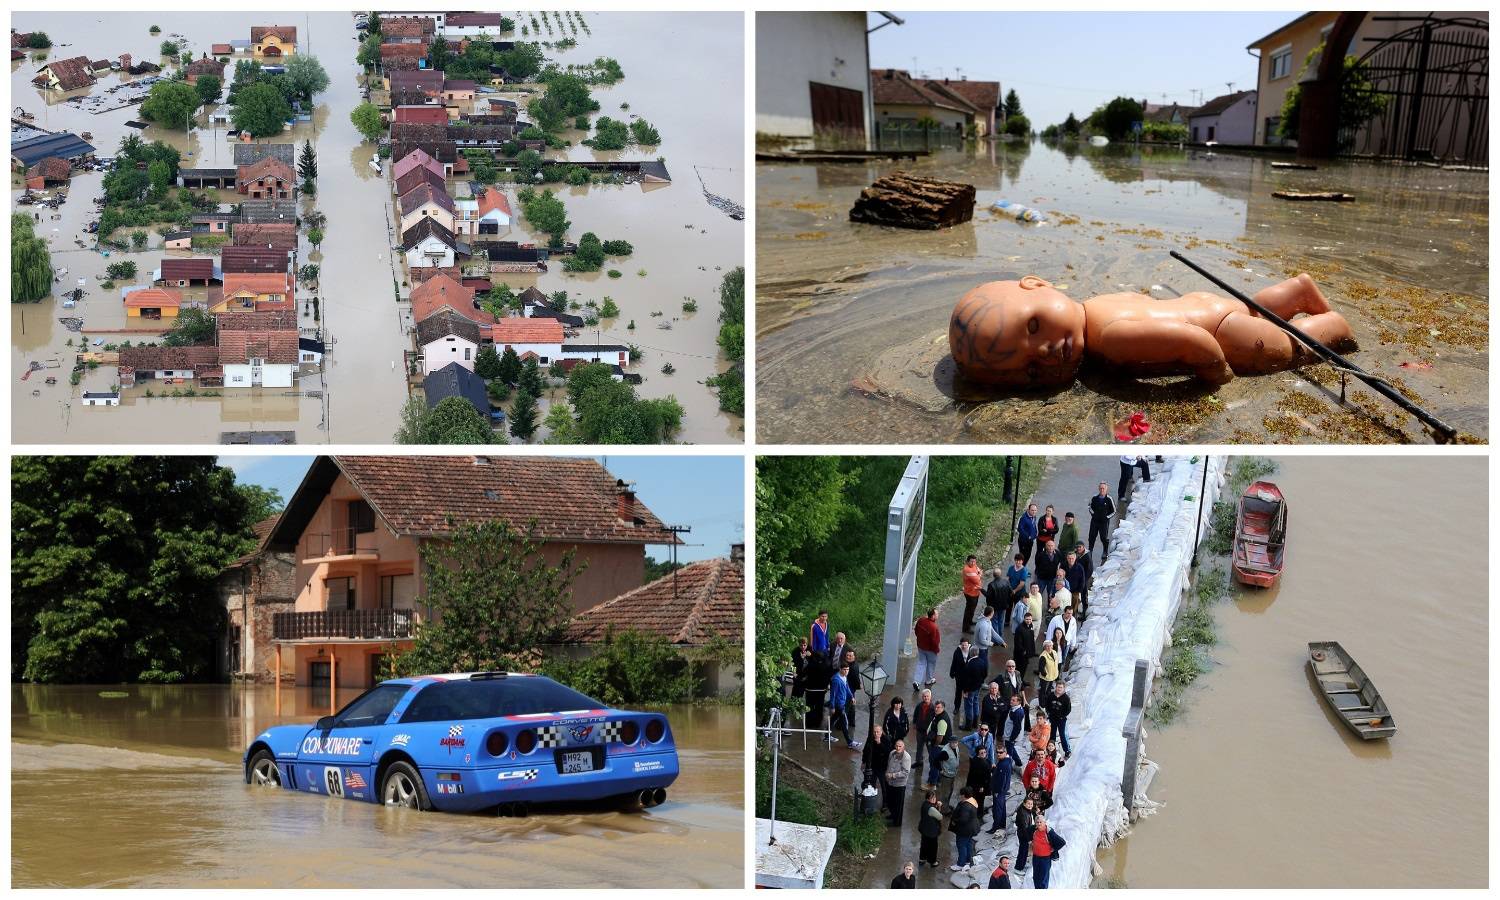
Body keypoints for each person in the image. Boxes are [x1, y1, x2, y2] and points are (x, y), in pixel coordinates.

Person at [947, 274, 1357, 388]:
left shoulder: (1110, 338)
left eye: (1033, 326)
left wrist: (1218, 374)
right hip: (1207, 304)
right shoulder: (1098, 303)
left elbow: (1191, 341)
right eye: (1033, 370)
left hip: (1221, 331)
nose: (1049, 350)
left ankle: (1330, 324)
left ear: (1037, 283)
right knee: (1255, 307)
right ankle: (1297, 291)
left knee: (1284, 347)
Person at [1028, 813, 1066, 890]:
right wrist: (1030, 842)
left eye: (1040, 822)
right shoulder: (1034, 830)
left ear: (1044, 823)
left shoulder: (1049, 832)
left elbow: (1062, 842)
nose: (1039, 824)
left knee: (1043, 879)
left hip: (1045, 859)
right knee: (1036, 877)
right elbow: (1025, 831)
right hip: (1036, 857)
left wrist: (1053, 849)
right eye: (1037, 822)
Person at [948, 786, 981, 871]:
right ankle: (967, 860)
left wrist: (954, 820)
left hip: (965, 830)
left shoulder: (966, 806)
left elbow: (963, 819)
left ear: (964, 795)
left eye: (961, 794)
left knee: (961, 845)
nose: (960, 796)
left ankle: (960, 864)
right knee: (968, 844)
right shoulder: (973, 801)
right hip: (971, 828)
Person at [829, 664, 860, 749]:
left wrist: (852, 697)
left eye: (848, 669)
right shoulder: (836, 680)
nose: (846, 671)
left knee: (833, 719)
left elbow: (847, 687)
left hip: (842, 702)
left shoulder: (844, 677)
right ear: (840, 669)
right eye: (845, 669)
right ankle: (849, 742)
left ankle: (826, 735)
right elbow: (833, 694)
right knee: (844, 722)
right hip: (838, 704)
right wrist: (832, 706)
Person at [925, 700, 953, 785]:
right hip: (936, 744)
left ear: (943, 708)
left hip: (939, 746)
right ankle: (937, 780)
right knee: (936, 764)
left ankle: (932, 783)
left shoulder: (942, 720)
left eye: (938, 707)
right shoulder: (938, 715)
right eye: (935, 707)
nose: (936, 709)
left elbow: (940, 737)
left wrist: (934, 745)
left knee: (934, 764)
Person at [886, 739, 913, 827]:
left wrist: (893, 775)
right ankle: (892, 815)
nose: (898, 748)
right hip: (890, 783)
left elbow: (905, 772)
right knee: (890, 801)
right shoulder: (892, 753)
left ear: (903, 747)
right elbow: (889, 764)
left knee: (898, 805)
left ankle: (897, 823)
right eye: (897, 746)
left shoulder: (906, 757)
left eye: (900, 746)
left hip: (900, 784)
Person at [964, 745, 993, 826]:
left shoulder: (977, 760)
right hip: (979, 787)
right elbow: (976, 776)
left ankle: (976, 815)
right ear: (978, 754)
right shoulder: (978, 762)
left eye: (984, 752)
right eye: (981, 753)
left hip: (978, 786)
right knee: (978, 802)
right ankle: (977, 817)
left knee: (978, 801)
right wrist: (981, 786)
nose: (984, 754)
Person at [961, 646, 988, 729]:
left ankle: (968, 725)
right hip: (978, 686)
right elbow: (985, 674)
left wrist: (965, 690)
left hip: (970, 689)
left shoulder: (969, 664)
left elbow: (966, 679)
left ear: (971, 653)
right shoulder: (982, 662)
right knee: (976, 703)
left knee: (968, 705)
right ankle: (975, 723)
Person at [913, 608, 941, 690]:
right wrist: (936, 650)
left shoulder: (921, 620)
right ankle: (928, 680)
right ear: (933, 616)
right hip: (930, 650)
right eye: (937, 614)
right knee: (931, 664)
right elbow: (935, 642)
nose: (938, 615)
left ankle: (916, 681)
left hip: (920, 646)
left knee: (921, 663)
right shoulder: (934, 627)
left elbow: (916, 630)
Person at [1011, 613, 1037, 699]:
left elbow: (1031, 640)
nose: (1028, 621)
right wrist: (1024, 651)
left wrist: (1032, 651)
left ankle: (1021, 681)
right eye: (1027, 619)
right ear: (1024, 619)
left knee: (1024, 668)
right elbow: (1018, 643)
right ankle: (1017, 685)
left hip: (1027, 654)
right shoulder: (1019, 629)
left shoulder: (1030, 626)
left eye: (1030, 619)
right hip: (1020, 655)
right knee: (1019, 669)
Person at [1089, 482, 1116, 561]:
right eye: (1100, 488)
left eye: (1103, 488)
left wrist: (1106, 517)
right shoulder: (1094, 498)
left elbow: (1114, 511)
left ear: (1106, 489)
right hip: (1094, 521)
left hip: (1104, 523)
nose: (1102, 490)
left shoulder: (1109, 499)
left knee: (1103, 537)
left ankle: (1105, 551)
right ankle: (1090, 551)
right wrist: (1093, 514)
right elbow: (1090, 507)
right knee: (1092, 536)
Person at [1044, 682, 1072, 758]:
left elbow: (1068, 710)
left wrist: (1062, 716)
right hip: (1052, 718)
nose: (1059, 689)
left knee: (1062, 735)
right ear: (1056, 687)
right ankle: (1051, 751)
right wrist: (1048, 713)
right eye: (1058, 687)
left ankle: (1067, 751)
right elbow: (1047, 705)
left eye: (1061, 687)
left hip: (1061, 720)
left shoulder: (1066, 698)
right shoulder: (1051, 695)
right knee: (1052, 735)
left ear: (1064, 688)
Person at [917, 791, 944, 868]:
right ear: (929, 799)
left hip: (924, 829)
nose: (935, 799)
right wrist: (939, 807)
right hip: (932, 831)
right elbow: (940, 817)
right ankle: (933, 862)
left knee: (924, 844)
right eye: (933, 798)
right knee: (932, 847)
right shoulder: (931, 809)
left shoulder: (924, 804)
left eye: (935, 797)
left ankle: (922, 859)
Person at [863, 724, 892, 795]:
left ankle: (885, 802)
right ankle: (870, 796)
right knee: (870, 783)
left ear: (881, 732)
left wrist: (879, 743)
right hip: (872, 765)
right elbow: (866, 750)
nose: (876, 734)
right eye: (874, 732)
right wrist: (863, 761)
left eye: (878, 732)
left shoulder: (886, 739)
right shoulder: (870, 738)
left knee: (883, 785)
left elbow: (887, 752)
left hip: (882, 767)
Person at [1002, 555, 1030, 629]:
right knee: (1009, 606)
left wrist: (1014, 590)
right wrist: (1008, 587)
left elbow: (1022, 584)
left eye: (1020, 560)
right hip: (1010, 591)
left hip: (1019, 593)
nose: (1018, 562)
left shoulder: (1024, 570)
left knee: (1018, 607)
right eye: (1017, 560)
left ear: (1022, 561)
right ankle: (1007, 621)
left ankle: (1018, 623)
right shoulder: (1011, 568)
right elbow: (1007, 578)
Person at [1012, 795, 1038, 873]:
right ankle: (1018, 868)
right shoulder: (1023, 814)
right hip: (1024, 835)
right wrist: (1029, 839)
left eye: (1031, 804)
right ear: (1024, 804)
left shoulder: (1025, 810)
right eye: (1028, 804)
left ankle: (1021, 864)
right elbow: (1025, 829)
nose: (1030, 805)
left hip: (1023, 833)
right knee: (1023, 851)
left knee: (1024, 850)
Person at [1003, 692, 1028, 771]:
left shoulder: (1017, 713)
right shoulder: (1015, 709)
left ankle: (1008, 769)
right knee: (1011, 749)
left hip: (1010, 736)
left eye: (1013, 700)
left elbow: (1017, 728)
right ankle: (1018, 762)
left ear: (1018, 702)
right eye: (1011, 699)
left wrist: (1012, 738)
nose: (1011, 701)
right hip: (1009, 735)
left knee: (1009, 753)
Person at [912, 689, 935, 773]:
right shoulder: (919, 706)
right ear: (922, 697)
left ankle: (932, 765)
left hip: (928, 733)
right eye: (924, 696)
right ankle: (919, 762)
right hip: (920, 731)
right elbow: (915, 715)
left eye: (927, 696)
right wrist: (914, 723)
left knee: (930, 749)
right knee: (919, 747)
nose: (926, 698)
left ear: (930, 697)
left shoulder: (933, 708)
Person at [982, 566, 1011, 633]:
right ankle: (1000, 635)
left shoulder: (991, 585)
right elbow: (1011, 592)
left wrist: (981, 590)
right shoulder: (1006, 582)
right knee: (1001, 621)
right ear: (1000, 574)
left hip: (994, 607)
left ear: (993, 575)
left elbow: (988, 596)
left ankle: (996, 637)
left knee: (994, 621)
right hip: (1003, 605)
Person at [936, 736, 961, 805]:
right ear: (949, 742)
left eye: (956, 743)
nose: (955, 744)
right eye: (953, 743)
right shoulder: (945, 752)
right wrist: (941, 770)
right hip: (946, 776)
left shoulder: (956, 748)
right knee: (945, 793)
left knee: (950, 791)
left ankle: (946, 806)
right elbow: (936, 761)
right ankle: (943, 809)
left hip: (953, 774)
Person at [949, 638, 972, 711]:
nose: (964, 647)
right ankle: (956, 707)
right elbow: (954, 663)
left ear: (968, 645)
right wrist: (952, 673)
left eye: (966, 645)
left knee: (967, 692)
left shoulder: (972, 650)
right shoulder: (957, 652)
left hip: (969, 676)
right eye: (963, 645)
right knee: (958, 692)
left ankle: (967, 709)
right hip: (959, 676)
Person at [961, 555, 983, 633]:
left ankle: (970, 621)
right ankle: (966, 628)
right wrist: (979, 574)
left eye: (974, 561)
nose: (973, 563)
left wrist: (978, 574)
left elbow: (980, 571)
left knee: (972, 609)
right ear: (967, 561)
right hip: (970, 593)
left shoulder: (974, 566)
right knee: (969, 611)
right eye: (971, 561)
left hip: (975, 592)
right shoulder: (967, 570)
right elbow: (977, 579)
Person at [1036, 641, 1060, 710]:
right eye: (1047, 646)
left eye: (1050, 646)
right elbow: (1041, 668)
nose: (1049, 647)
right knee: (1043, 691)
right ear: (1044, 647)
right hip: (1046, 678)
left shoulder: (1054, 652)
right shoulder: (1043, 656)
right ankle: (1041, 705)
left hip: (1052, 676)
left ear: (1052, 646)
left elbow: (1056, 663)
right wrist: (1045, 674)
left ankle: (1046, 701)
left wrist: (1056, 673)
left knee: (1048, 690)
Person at [1068, 544, 1091, 615]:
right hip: (1067, 590)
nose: (1070, 560)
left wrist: (1079, 590)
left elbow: (1083, 579)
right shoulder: (1064, 565)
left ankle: (1073, 617)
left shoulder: (1080, 567)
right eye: (1069, 558)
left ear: (1075, 559)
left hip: (1075, 591)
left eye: (1072, 558)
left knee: (1074, 606)